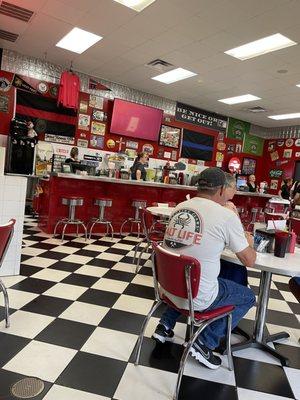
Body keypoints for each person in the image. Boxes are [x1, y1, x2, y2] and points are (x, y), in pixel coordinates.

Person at [152, 167, 256, 369]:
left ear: (198, 186)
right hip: (197, 297)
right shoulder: (226, 216)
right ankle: (205, 342)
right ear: (221, 190)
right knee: (247, 297)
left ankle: (168, 324)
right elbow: (249, 261)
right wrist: (249, 242)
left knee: (208, 275)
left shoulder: (180, 207)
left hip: (169, 290)